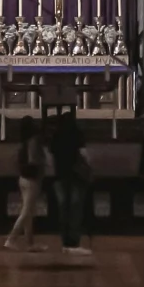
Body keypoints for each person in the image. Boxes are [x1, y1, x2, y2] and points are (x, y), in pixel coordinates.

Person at [47, 107, 91, 255]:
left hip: (60, 176)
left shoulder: (56, 136)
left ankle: (65, 241)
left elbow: (51, 155)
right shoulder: (77, 134)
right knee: (75, 209)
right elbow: (85, 155)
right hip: (76, 176)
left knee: (63, 209)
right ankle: (74, 242)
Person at [5, 115, 47, 250]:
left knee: (29, 211)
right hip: (32, 179)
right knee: (27, 211)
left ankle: (30, 243)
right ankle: (11, 238)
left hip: (23, 178)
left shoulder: (23, 141)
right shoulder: (33, 140)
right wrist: (43, 163)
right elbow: (33, 159)